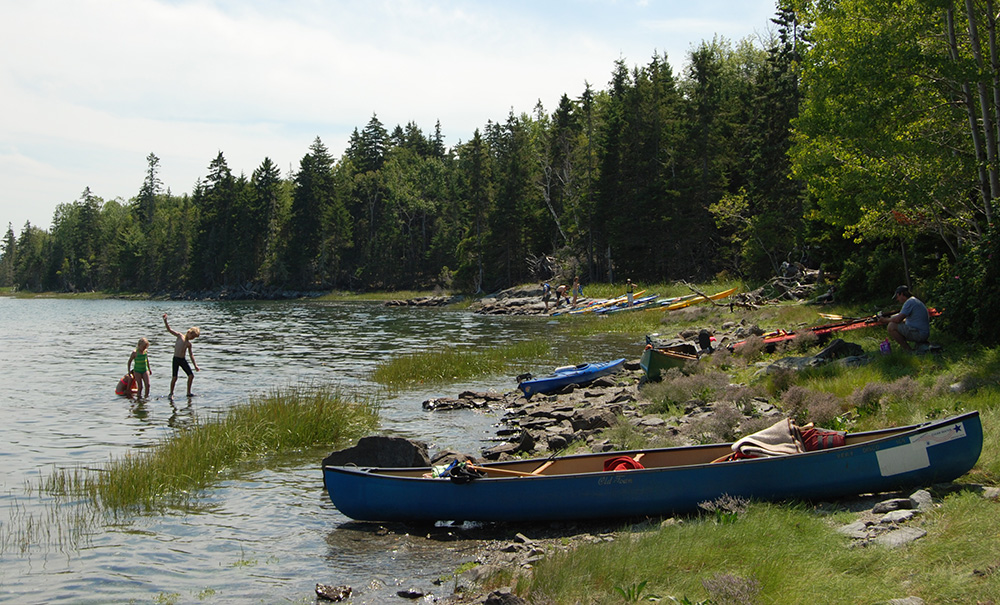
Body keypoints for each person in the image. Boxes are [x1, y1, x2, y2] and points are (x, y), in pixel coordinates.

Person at [878, 285, 930, 352]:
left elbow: (898, 319)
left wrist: (884, 320)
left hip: (920, 334)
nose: (897, 299)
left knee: (891, 326)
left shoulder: (909, 302)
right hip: (923, 332)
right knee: (897, 323)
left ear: (902, 294)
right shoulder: (914, 300)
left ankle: (908, 350)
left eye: (897, 296)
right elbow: (904, 319)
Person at [163, 313, 200, 397]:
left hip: (182, 360)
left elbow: (191, 355)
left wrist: (195, 365)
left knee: (191, 376)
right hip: (176, 359)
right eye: (192, 337)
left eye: (193, 338)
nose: (192, 339)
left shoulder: (188, 344)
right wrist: (165, 321)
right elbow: (170, 330)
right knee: (175, 377)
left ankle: (188, 392)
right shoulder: (180, 336)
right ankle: (171, 393)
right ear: (189, 332)